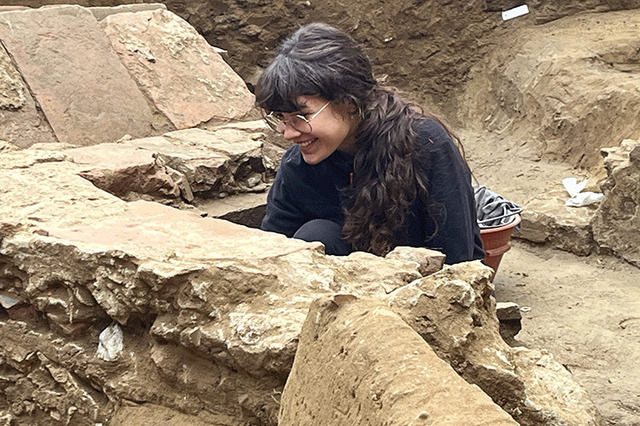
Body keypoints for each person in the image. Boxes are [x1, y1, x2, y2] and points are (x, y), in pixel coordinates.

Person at [255, 22, 484, 264]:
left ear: (349, 102)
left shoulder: (424, 144)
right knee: (315, 237)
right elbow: (270, 254)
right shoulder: (298, 168)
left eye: (301, 116)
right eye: (280, 117)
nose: (287, 133)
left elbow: (459, 258)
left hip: (422, 288)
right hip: (340, 294)